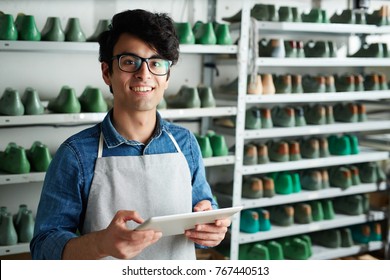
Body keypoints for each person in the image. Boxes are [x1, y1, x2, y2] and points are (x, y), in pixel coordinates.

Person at [30, 9, 231, 260]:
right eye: (129, 61)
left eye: (156, 63)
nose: (144, 73)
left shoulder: (186, 144)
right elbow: (43, 246)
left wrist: (211, 230)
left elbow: (204, 213)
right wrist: (100, 244)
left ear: (167, 76)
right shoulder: (76, 154)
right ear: (107, 73)